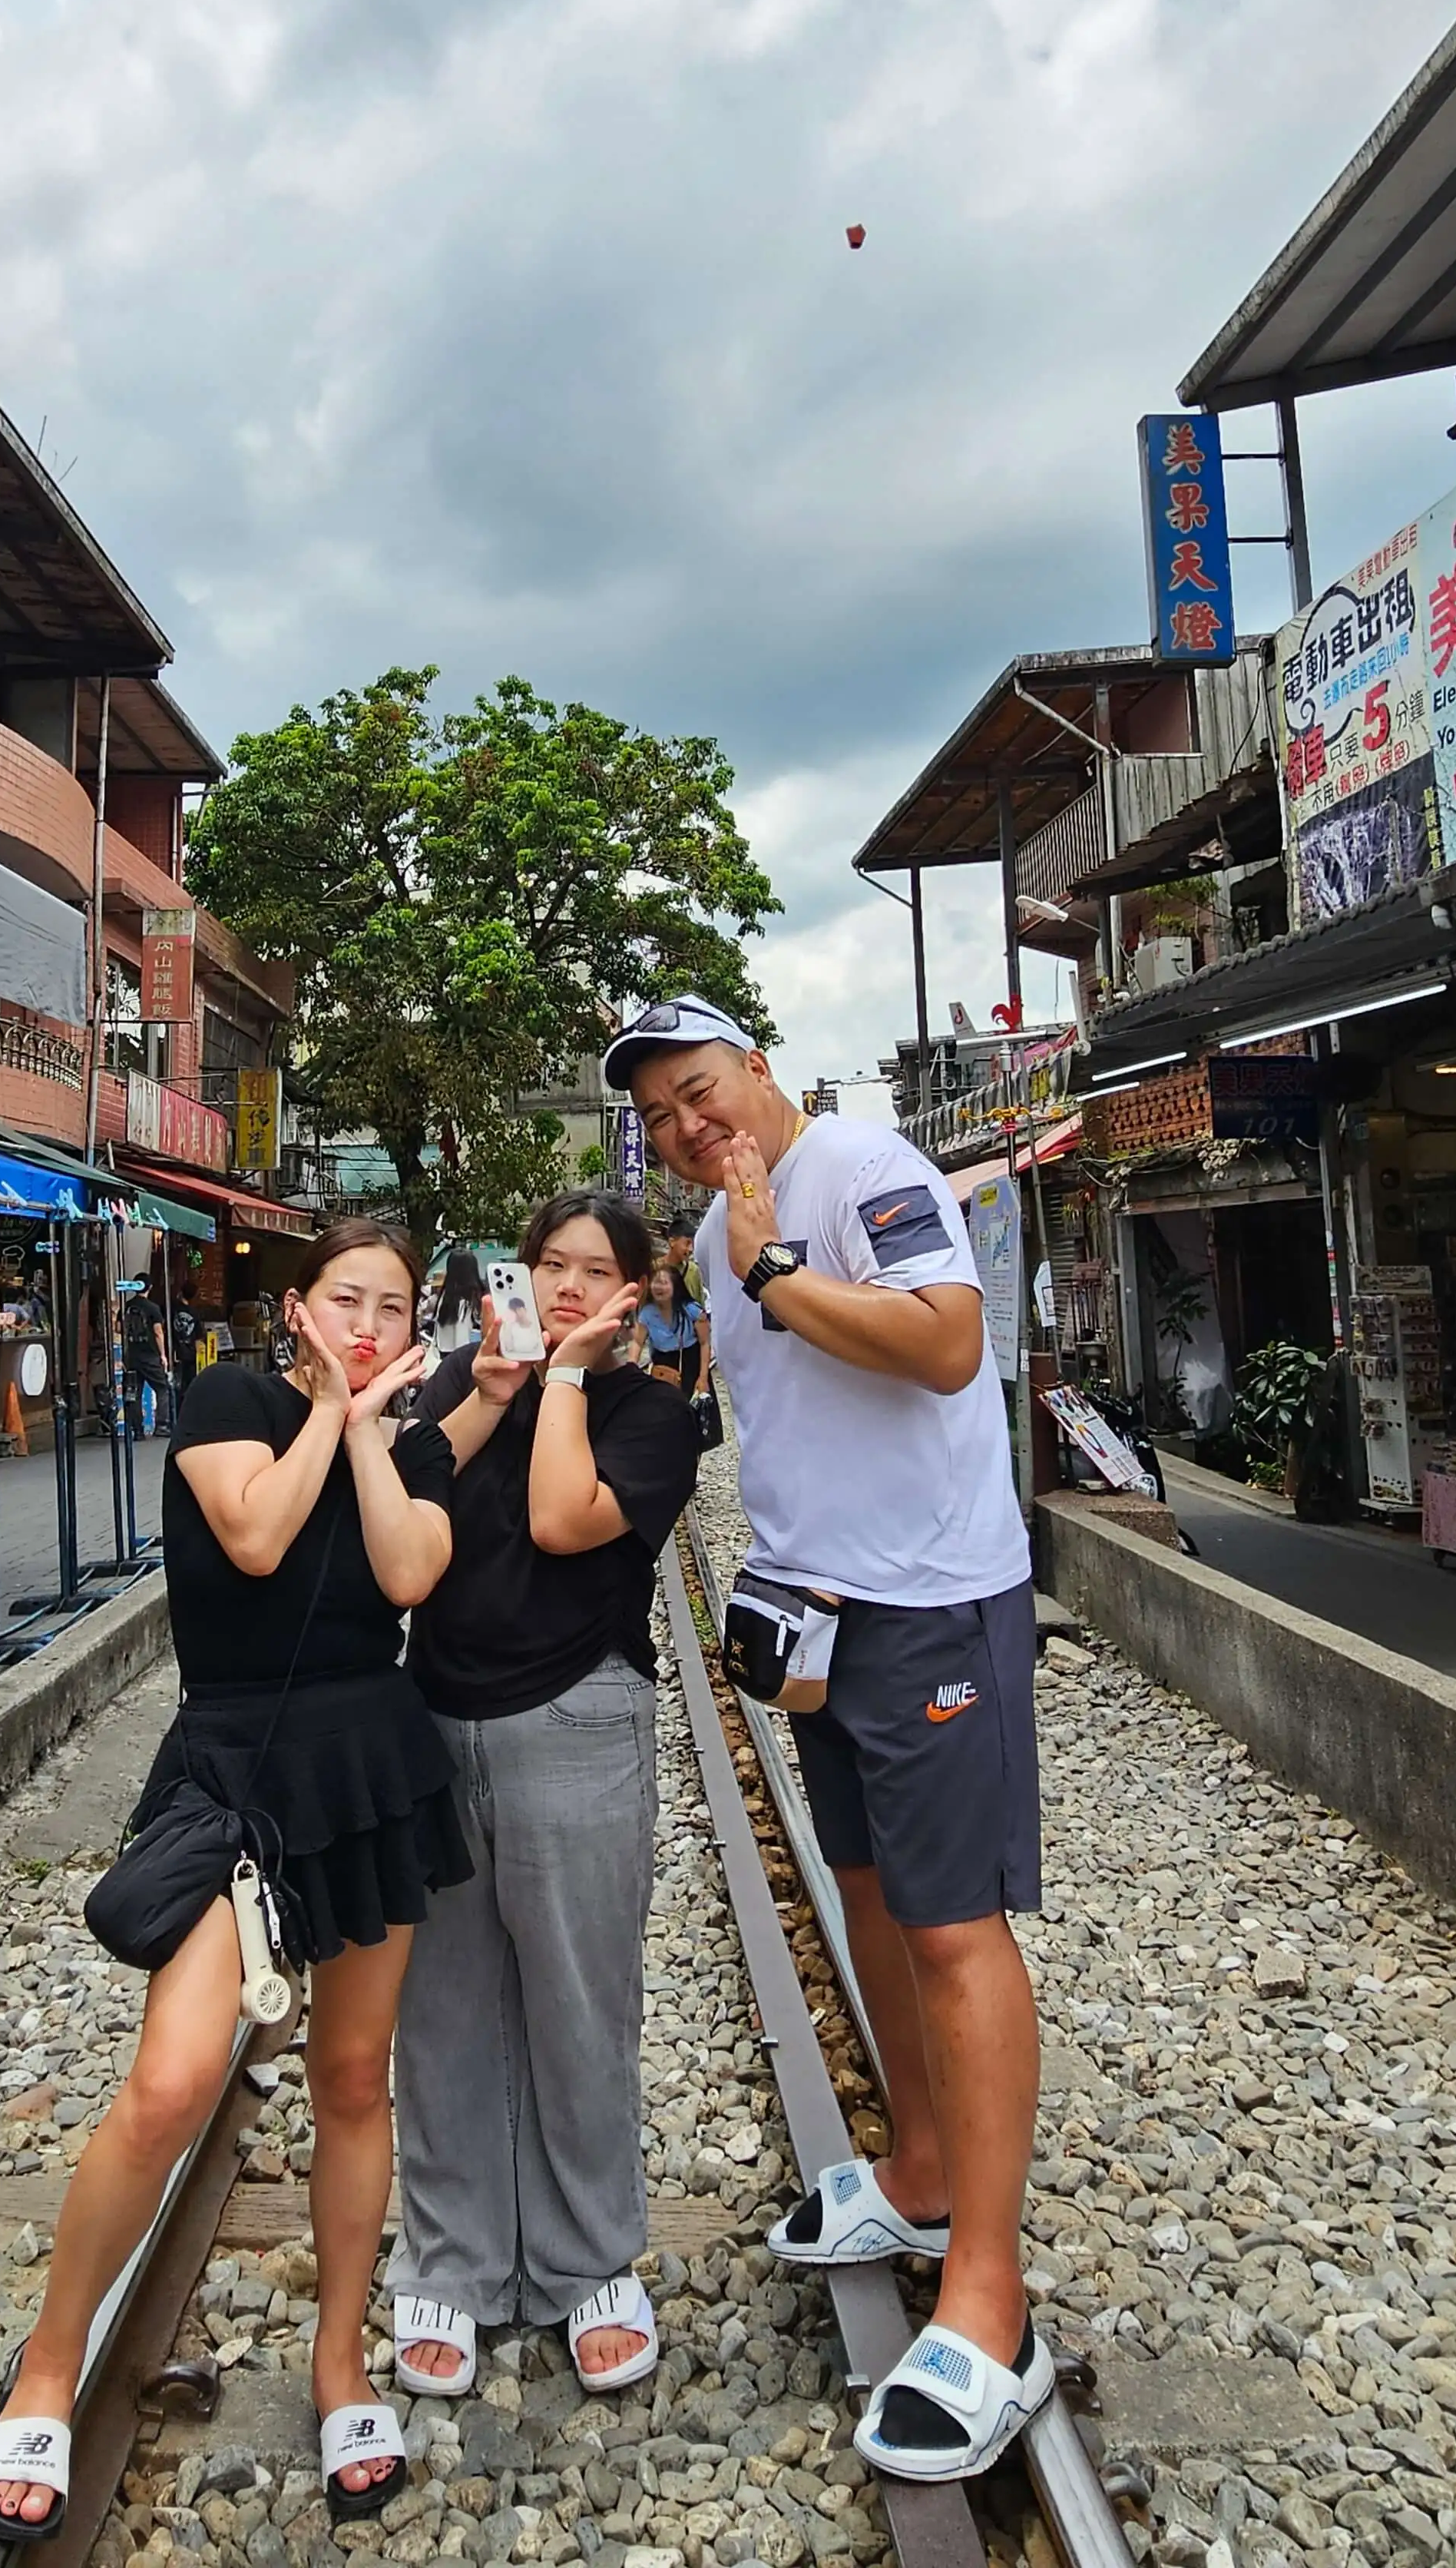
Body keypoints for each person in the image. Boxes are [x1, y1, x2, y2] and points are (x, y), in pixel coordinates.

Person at [0, 1221, 467, 2543]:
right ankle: (48, 2366)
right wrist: (329, 1412)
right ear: (297, 1309)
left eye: (394, 1306)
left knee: (352, 2079)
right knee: (174, 2082)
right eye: (345, 1299)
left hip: (370, 1768)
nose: (368, 1324)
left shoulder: (412, 1447)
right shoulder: (227, 1401)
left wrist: (370, 1430)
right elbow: (252, 1536)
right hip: (234, 1769)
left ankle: (340, 2362)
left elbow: (410, 1572)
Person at [607, 996, 1047, 2487]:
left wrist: (776, 1272)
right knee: (865, 1893)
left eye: (700, 1089)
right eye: (659, 1115)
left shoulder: (862, 1167)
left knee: (955, 1927)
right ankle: (918, 2170)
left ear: (759, 1069)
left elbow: (948, 1344)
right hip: (816, 1614)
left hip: (930, 1602)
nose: (688, 1124)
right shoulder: (717, 1228)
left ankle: (991, 2299)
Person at [389, 1192, 699, 2400]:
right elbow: (393, 1515)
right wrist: (491, 1391)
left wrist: (565, 1379)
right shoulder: (461, 1384)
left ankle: (586, 2262)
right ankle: (452, 2263)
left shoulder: (648, 1416)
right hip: (438, 1715)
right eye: (549, 1264)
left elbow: (565, 1523)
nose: (567, 1287)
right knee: (445, 2009)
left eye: (595, 1272)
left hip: (580, 1720)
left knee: (578, 2002)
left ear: (634, 1295)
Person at [636, 1251, 709, 1393]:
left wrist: (703, 1377)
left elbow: (705, 1343)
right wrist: (631, 1370)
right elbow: (637, 1343)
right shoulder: (647, 1313)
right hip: (662, 1368)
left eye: (663, 1283)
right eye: (655, 1283)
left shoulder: (692, 1310)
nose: (658, 1287)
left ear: (675, 1286)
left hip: (690, 1365)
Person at [429, 1246, 485, 1358]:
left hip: (444, 1354)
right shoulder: (471, 1301)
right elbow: (463, 1339)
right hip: (464, 1357)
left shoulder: (444, 1299)